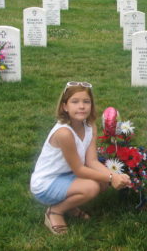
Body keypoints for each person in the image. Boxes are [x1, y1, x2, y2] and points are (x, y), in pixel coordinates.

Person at [30, 82, 131, 235]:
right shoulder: (64, 133)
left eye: (86, 101)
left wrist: (114, 177)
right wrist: (112, 177)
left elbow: (91, 161)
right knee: (92, 187)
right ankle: (55, 211)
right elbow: (79, 169)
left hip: (68, 173)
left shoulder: (90, 125)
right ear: (65, 106)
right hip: (47, 183)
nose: (82, 106)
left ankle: (69, 204)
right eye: (75, 102)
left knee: (102, 183)